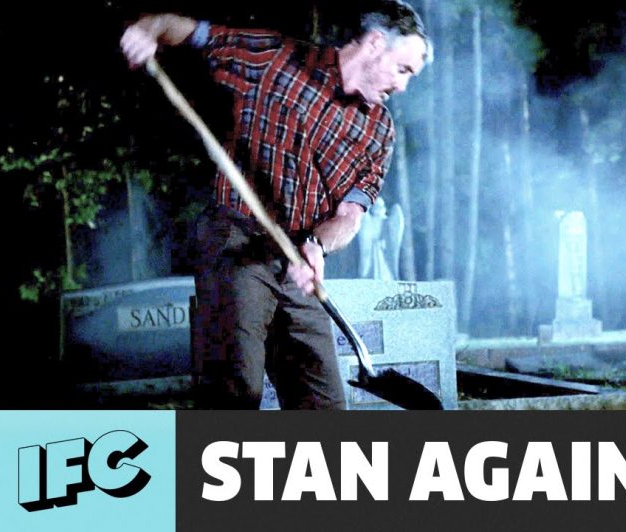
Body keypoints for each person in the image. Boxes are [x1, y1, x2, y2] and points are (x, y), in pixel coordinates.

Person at [120, 1, 431, 409]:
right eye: (403, 69)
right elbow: (189, 30)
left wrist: (316, 247)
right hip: (234, 242)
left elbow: (350, 215)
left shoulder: (378, 129)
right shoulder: (274, 59)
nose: (404, 86)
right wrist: (149, 28)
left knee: (326, 408)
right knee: (236, 392)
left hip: (299, 264)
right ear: (374, 43)